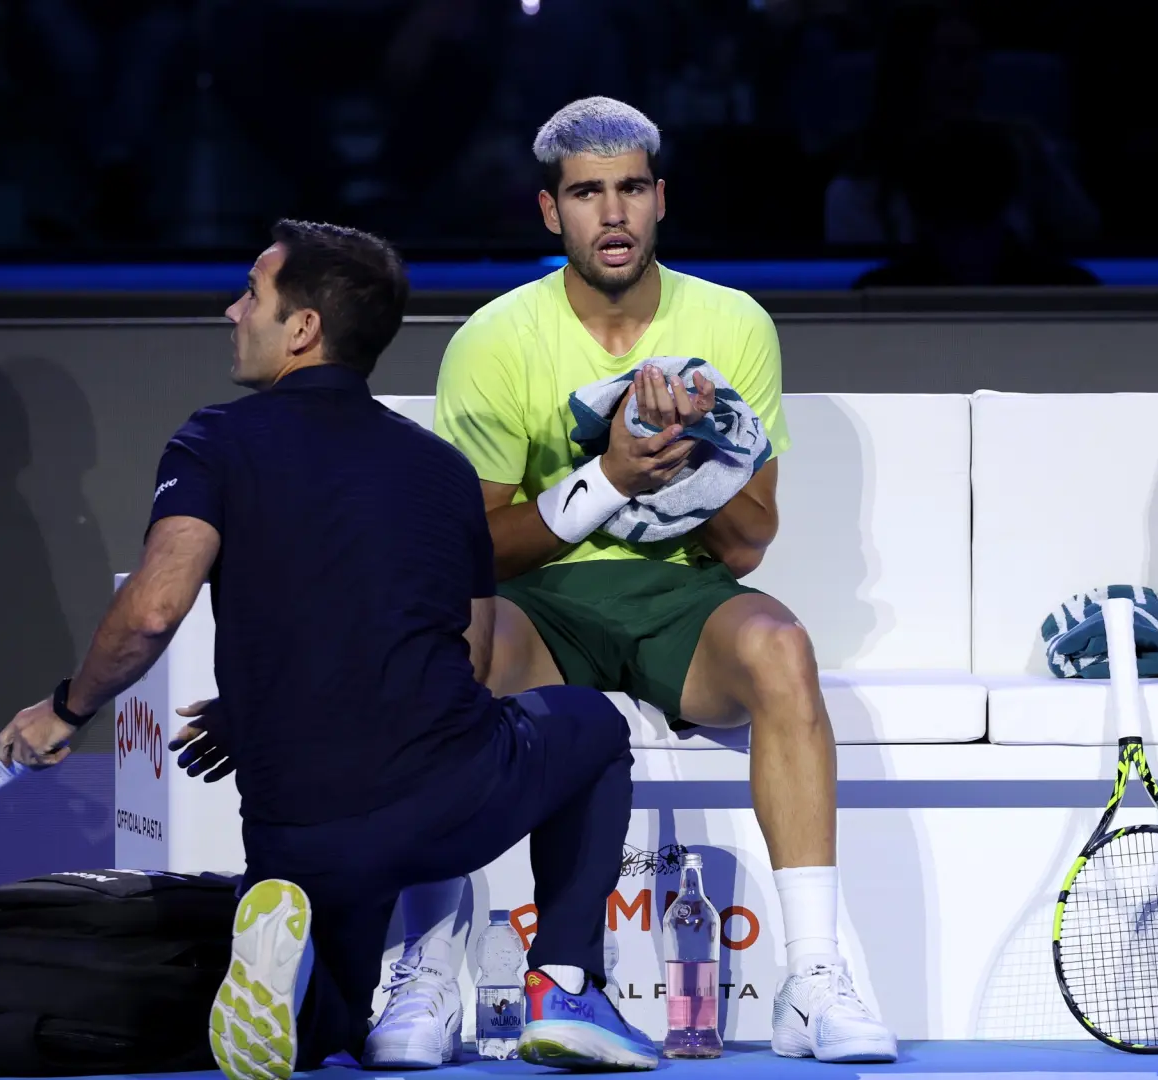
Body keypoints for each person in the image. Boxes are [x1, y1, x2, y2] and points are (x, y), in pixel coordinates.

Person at [0, 219, 660, 1076]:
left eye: (253, 294)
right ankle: (565, 982)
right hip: (444, 805)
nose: (232, 310)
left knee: (326, 1030)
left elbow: (156, 609)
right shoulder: (443, 472)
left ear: (303, 328)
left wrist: (66, 707)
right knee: (593, 726)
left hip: (297, 833)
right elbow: (471, 660)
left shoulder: (217, 441)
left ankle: (286, 950)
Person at [367, 97, 899, 1067]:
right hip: (542, 604)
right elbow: (472, 554)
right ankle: (428, 971)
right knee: (451, 635)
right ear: (549, 212)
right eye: (585, 194)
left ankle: (814, 981)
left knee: (783, 648)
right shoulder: (494, 340)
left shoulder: (732, 323)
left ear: (660, 200)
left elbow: (746, 546)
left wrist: (698, 446)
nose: (609, 215)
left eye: (628, 190)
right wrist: (607, 475)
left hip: (680, 603)